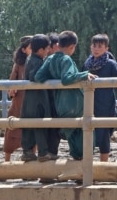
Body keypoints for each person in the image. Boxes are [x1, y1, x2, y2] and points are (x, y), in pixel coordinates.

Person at [33, 30, 97, 160]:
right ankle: (85, 171)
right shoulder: (66, 59)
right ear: (72, 46)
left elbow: (38, 76)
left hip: (60, 105)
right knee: (85, 135)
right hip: (74, 104)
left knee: (72, 136)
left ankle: (77, 166)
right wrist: (83, 74)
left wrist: (52, 79)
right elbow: (66, 78)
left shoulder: (50, 59)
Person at [83, 34, 117, 162]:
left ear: (106, 48)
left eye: (100, 46)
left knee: (104, 136)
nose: (96, 49)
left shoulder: (110, 64)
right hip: (88, 105)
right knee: (87, 134)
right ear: (90, 47)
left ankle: (104, 164)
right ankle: (88, 165)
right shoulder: (87, 64)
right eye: (94, 46)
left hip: (105, 105)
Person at [20, 34, 54, 162]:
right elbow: (35, 76)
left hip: (29, 98)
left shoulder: (29, 58)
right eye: (47, 49)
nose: (47, 52)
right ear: (41, 50)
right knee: (40, 124)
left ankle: (27, 151)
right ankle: (43, 152)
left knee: (28, 125)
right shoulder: (38, 61)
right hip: (38, 99)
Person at [3, 36, 32, 162]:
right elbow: (12, 81)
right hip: (19, 102)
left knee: (32, 130)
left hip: (33, 101)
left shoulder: (41, 61)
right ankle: (7, 160)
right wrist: (12, 88)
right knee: (12, 129)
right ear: (24, 49)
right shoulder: (19, 64)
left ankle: (30, 160)